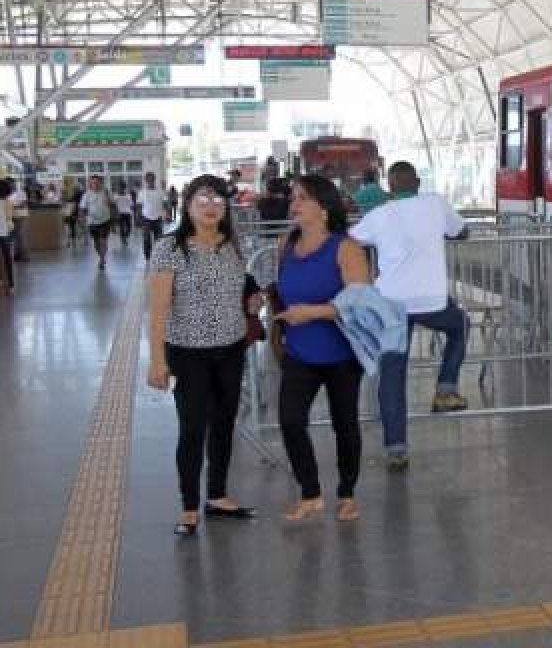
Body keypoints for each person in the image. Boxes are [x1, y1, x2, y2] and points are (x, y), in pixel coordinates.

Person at [146, 175, 258, 536]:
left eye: (219, 201)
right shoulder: (170, 248)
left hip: (230, 347)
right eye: (203, 199)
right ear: (188, 204)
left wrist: (252, 302)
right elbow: (159, 309)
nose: (211, 207)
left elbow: (241, 290)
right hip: (188, 352)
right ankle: (190, 505)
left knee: (224, 424)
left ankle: (218, 494)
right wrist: (157, 360)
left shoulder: (232, 246)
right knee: (193, 427)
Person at [349, 161, 469, 471]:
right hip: (431, 302)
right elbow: (461, 231)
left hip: (391, 304)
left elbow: (351, 239)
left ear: (390, 186)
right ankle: (445, 389)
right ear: (417, 182)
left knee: (392, 376)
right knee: (461, 325)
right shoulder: (435, 203)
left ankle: (396, 448)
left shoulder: (379, 215)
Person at [271, 175, 372, 522]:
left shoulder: (346, 248)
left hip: (342, 354)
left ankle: (347, 492)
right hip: (299, 352)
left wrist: (312, 312)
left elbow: (361, 301)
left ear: (324, 207)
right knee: (290, 420)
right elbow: (282, 288)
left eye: (303, 198)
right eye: (293, 198)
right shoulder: (285, 244)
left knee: (344, 424)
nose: (294, 204)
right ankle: (310, 492)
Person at [80, 175, 115, 268]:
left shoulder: (106, 192)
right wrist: (82, 219)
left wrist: (114, 219)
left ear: (101, 183)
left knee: (103, 241)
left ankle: (102, 259)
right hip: (92, 222)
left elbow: (113, 205)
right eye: (92, 183)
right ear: (90, 184)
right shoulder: (87, 195)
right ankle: (101, 256)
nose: (94, 184)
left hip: (105, 220)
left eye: (96, 182)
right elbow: (83, 208)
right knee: (96, 244)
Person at [139, 172, 166, 261]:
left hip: (158, 218)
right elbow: (139, 205)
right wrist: (138, 218)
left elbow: (165, 203)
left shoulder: (160, 191)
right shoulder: (142, 192)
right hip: (146, 218)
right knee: (146, 239)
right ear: (146, 180)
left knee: (159, 239)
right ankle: (148, 256)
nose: (150, 181)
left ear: (154, 179)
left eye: (152, 179)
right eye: (148, 179)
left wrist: (168, 213)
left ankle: (158, 255)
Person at [0, 179, 14, 294]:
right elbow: (9, 217)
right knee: (7, 258)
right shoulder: (7, 202)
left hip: (4, 231)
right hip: (4, 232)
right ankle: (10, 283)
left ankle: (1, 280)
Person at [9, 182, 29, 261]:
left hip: (19, 216)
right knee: (16, 236)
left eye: (11, 184)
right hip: (12, 216)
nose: (10, 185)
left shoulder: (20, 193)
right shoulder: (9, 194)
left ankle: (23, 255)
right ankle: (17, 254)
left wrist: (12, 206)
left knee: (19, 235)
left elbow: (23, 204)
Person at [114, 181, 134, 249]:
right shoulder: (115, 196)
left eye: (122, 187)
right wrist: (114, 214)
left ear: (124, 188)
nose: (120, 189)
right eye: (119, 187)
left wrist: (132, 211)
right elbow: (114, 206)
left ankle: (125, 236)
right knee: (121, 227)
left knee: (129, 227)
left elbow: (131, 205)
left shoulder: (128, 195)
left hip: (128, 213)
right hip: (119, 213)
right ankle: (123, 239)